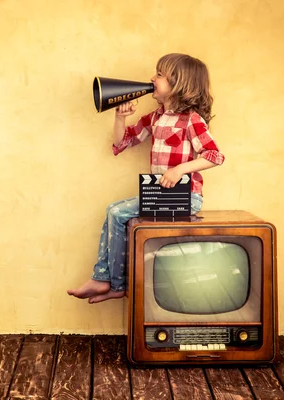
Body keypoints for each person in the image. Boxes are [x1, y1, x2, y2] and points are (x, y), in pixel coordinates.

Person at [68, 53, 225, 304]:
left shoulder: (192, 120)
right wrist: (120, 117)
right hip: (162, 195)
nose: (152, 78)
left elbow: (215, 155)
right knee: (114, 211)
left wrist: (179, 170)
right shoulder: (156, 117)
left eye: (159, 75)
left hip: (186, 196)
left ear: (178, 82)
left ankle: (112, 283)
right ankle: (104, 279)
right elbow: (122, 142)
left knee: (117, 213)